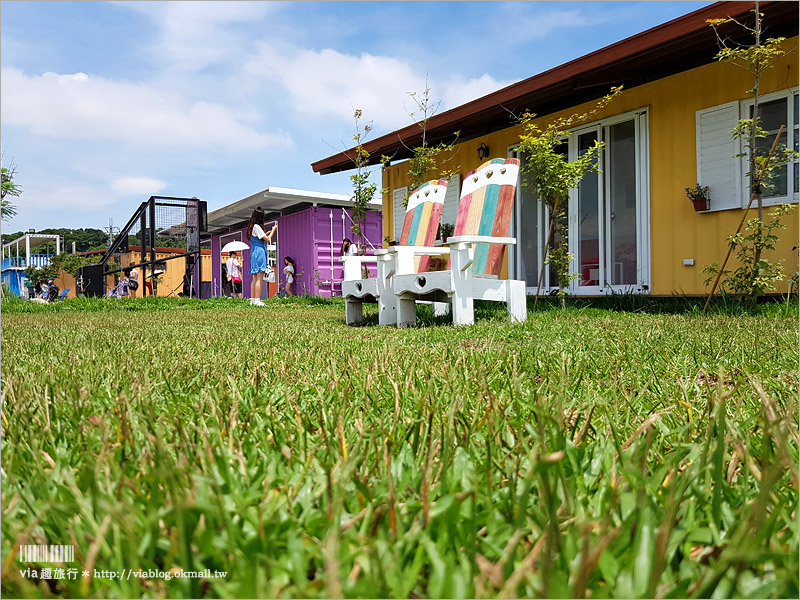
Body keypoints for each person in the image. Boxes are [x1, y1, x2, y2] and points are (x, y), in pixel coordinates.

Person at [246, 207, 277, 306]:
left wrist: (266, 234)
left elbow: (261, 237)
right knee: (260, 278)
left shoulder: (251, 226)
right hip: (260, 252)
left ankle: (253, 300)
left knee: (255, 278)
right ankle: (258, 300)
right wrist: (273, 230)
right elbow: (268, 240)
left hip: (254, 252)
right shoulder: (257, 226)